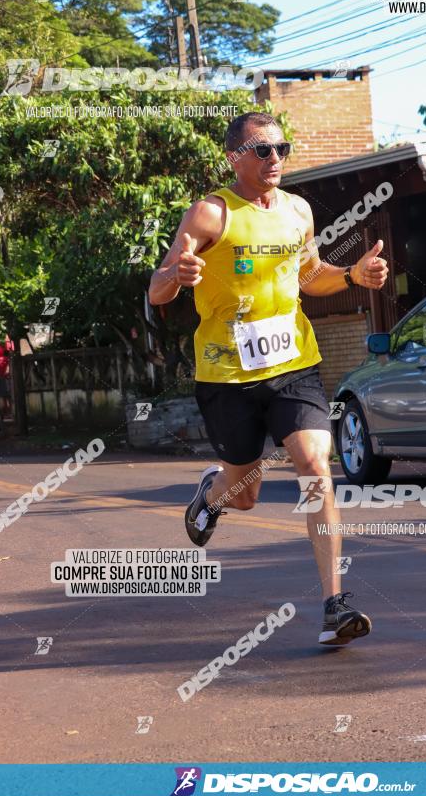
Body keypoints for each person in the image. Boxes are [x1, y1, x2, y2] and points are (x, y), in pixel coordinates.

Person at [149, 111, 389, 645]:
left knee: (313, 465)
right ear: (234, 157)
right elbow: (157, 290)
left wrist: (351, 274)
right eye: (262, 150)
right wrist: (176, 276)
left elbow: (309, 275)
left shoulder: (298, 211)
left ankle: (335, 604)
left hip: (293, 364)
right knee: (245, 493)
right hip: (227, 373)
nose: (275, 158)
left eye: (282, 148)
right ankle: (211, 496)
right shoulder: (212, 214)